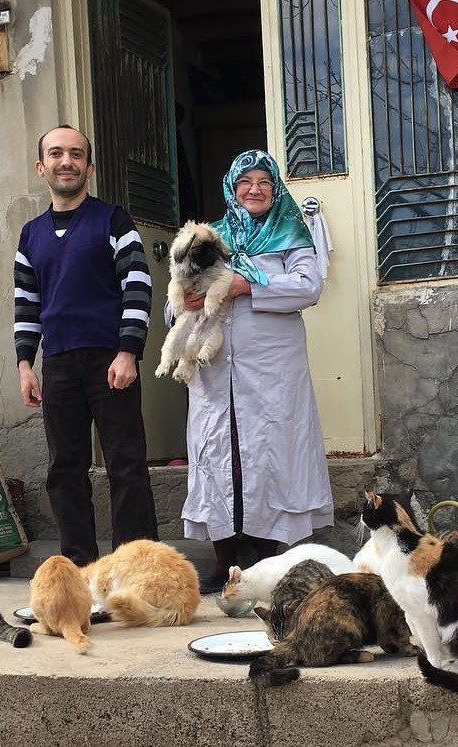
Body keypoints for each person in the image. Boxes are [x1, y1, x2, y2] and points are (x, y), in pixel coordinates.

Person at [178, 149, 334, 593]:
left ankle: (266, 559)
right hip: (214, 365)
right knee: (218, 451)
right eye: (245, 182)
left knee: (270, 452)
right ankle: (223, 560)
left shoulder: (291, 233)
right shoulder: (210, 238)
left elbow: (308, 287)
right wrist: (183, 303)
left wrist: (245, 285)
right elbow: (179, 290)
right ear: (232, 188)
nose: (254, 189)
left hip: (272, 367)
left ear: (275, 188)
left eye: (264, 181)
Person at [13, 124, 159, 567]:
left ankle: (137, 566)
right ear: (41, 167)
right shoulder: (31, 235)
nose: (67, 162)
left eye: (76, 154)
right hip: (58, 363)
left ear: (89, 168)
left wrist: (128, 351)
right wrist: (25, 363)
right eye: (56, 153)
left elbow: (138, 285)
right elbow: (26, 301)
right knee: (64, 470)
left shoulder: (113, 220)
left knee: (126, 466)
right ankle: (80, 567)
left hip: (111, 360)